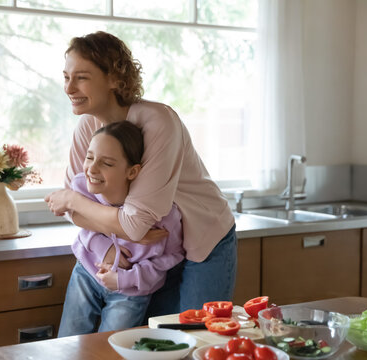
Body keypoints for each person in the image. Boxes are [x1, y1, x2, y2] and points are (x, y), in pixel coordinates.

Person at [45, 31, 237, 318]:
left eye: (81, 77)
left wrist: (72, 199)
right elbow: (74, 213)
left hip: (203, 239)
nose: (69, 87)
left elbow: (124, 222)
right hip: (154, 252)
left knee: (195, 337)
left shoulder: (158, 121)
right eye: (66, 77)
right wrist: (107, 235)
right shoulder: (86, 127)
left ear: (115, 78)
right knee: (154, 343)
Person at [57, 121, 184, 336]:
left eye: (106, 163)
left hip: (130, 291)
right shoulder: (81, 187)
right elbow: (82, 224)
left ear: (132, 171)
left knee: (111, 348)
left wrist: (126, 279)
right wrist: (103, 246)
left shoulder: (162, 213)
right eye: (89, 157)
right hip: (87, 272)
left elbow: (170, 258)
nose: (92, 168)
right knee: (68, 341)